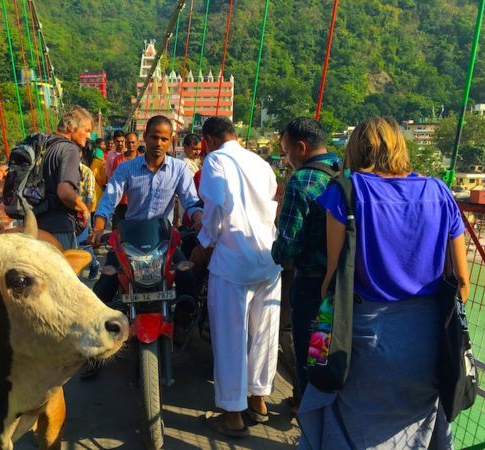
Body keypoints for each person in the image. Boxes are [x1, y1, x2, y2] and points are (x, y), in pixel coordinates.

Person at [297, 117, 470, 449]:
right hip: (427, 337)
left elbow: (333, 278)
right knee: (417, 429)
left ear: (356, 147)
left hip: (363, 338)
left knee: (352, 427)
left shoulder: (345, 193)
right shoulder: (439, 191)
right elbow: (461, 280)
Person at [198, 116, 281, 437]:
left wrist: (206, 241)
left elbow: (217, 202)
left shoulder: (215, 160)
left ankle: (233, 414)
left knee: (231, 336)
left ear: (209, 140)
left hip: (233, 261)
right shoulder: (261, 164)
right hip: (267, 260)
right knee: (263, 334)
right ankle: (259, 401)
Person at [91, 115, 202, 304]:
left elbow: (190, 202)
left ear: (171, 141)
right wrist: (98, 228)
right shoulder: (127, 168)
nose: (159, 143)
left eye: (164, 139)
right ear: (146, 137)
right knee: (104, 287)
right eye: (154, 137)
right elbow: (109, 199)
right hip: (129, 241)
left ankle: (183, 327)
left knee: (188, 280)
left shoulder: (180, 169)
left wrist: (199, 220)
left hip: (163, 240)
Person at [271, 118, 342, 404]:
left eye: (286, 153)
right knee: (329, 350)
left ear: (301, 148)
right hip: (346, 284)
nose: (286, 160)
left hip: (313, 288)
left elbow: (287, 248)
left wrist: (275, 251)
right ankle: (324, 405)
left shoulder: (302, 180)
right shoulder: (346, 171)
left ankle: (308, 407)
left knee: (310, 351)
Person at [35, 106, 92, 250]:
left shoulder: (43, 144)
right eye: (86, 130)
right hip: (59, 227)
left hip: (34, 225)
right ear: (70, 127)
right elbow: (64, 192)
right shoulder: (69, 149)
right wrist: (83, 208)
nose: (89, 136)